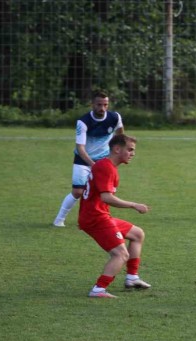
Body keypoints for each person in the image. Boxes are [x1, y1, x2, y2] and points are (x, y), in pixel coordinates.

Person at [78, 134, 151, 298]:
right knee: (121, 254)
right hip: (95, 218)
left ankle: (132, 278)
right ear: (117, 149)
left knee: (137, 234)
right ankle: (99, 289)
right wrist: (134, 205)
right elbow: (107, 197)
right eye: (130, 150)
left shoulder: (106, 165)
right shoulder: (106, 167)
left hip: (99, 215)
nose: (133, 153)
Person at [53, 91, 124, 227]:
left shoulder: (115, 117)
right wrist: (93, 164)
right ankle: (59, 219)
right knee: (78, 192)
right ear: (92, 105)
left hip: (104, 160)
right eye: (99, 105)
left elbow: (120, 138)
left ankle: (100, 218)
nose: (102, 108)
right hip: (83, 160)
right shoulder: (83, 122)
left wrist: (118, 155)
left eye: (105, 105)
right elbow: (80, 148)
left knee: (104, 192)